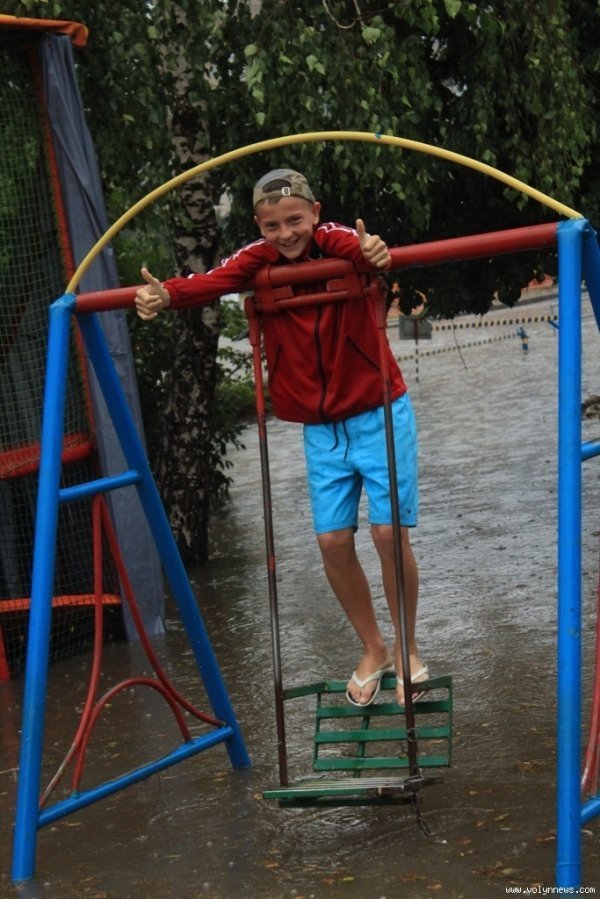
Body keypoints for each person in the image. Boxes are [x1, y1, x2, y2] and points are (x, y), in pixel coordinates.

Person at [135, 168, 427, 707]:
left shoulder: (335, 237)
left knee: (388, 534)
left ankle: (409, 648)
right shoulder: (257, 257)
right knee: (332, 542)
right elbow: (212, 283)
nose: (286, 233)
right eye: (273, 225)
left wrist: (376, 252)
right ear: (258, 225)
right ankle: (374, 649)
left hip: (379, 410)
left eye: (295, 220)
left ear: (314, 213)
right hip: (320, 429)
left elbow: (366, 253)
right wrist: (165, 296)